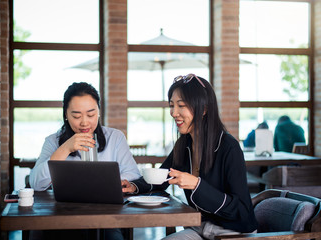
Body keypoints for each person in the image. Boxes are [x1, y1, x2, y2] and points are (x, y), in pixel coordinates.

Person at [122, 74, 258, 240]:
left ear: (205, 109)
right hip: (200, 228)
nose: (173, 113)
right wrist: (134, 186)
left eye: (181, 105)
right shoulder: (184, 143)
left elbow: (241, 210)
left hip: (233, 234)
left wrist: (197, 185)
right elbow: (162, 176)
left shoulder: (229, 147)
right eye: (172, 106)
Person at [29, 82, 141, 240]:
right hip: (62, 216)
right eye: (76, 116)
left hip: (106, 217)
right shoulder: (53, 141)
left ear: (99, 112)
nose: (84, 122)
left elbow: (133, 174)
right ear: (66, 115)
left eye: (91, 114)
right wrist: (65, 149)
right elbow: (36, 183)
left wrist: (112, 182)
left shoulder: (115, 138)